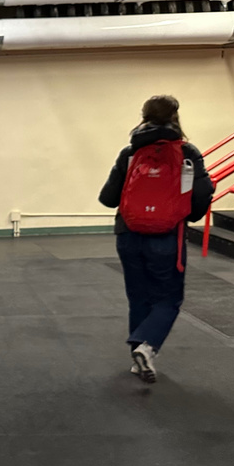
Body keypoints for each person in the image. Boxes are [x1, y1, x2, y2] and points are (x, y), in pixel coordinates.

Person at [99, 94, 213, 383]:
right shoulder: (187, 152)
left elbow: (107, 198)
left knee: (138, 296)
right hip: (166, 235)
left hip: (129, 233)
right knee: (169, 298)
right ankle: (147, 347)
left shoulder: (129, 153)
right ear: (175, 117)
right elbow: (202, 193)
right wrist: (188, 215)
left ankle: (138, 360)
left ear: (143, 117)